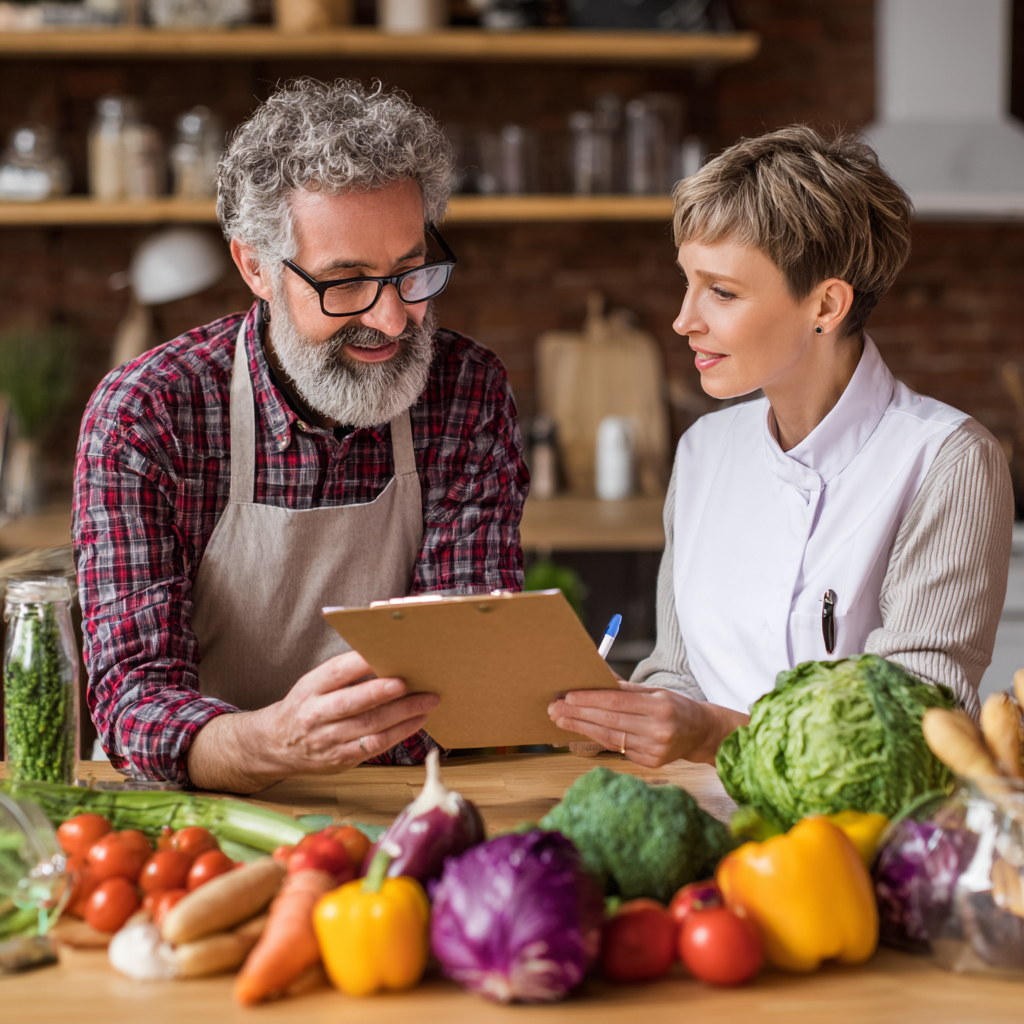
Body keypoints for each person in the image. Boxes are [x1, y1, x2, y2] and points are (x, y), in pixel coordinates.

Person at [73, 79, 528, 793]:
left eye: (410, 273)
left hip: (406, 803)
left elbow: (462, 669)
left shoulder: (465, 392)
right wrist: (270, 743)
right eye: (344, 284)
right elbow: (134, 700)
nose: (390, 320)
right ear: (255, 266)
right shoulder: (148, 414)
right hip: (198, 812)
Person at [549, 125, 1013, 767]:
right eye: (687, 282)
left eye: (723, 291)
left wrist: (709, 734)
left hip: (857, 848)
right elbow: (677, 676)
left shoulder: (948, 461)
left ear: (825, 304)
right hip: (706, 827)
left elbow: (911, 737)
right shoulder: (703, 452)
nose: (685, 319)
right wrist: (622, 714)